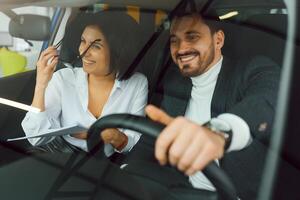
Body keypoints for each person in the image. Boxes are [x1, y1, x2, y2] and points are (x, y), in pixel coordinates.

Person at [122, 10, 280, 199]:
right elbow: (151, 139)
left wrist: (219, 132)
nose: (181, 49)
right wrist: (124, 173)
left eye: (192, 37)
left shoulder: (251, 70)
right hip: (185, 190)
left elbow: (267, 100)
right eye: (174, 40)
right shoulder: (175, 82)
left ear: (218, 40)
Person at [21, 12, 148, 155]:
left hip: (105, 166)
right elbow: (36, 138)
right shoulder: (64, 78)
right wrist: (41, 84)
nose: (83, 52)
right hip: (60, 156)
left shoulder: (138, 83)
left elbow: (134, 143)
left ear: (119, 52)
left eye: (96, 46)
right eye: (83, 41)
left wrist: (110, 136)